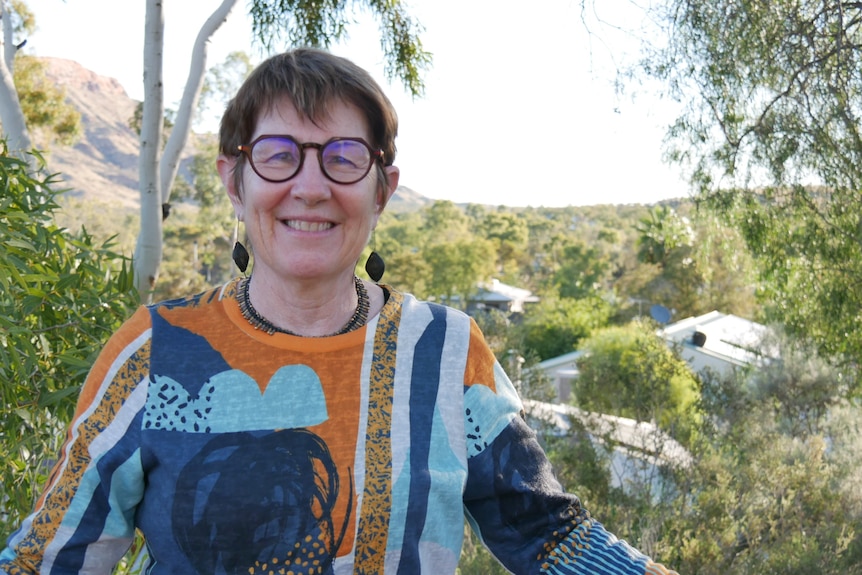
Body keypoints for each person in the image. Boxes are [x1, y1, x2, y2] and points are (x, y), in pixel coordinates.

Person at [0, 48, 680, 575]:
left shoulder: (447, 352)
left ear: (382, 189)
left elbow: (547, 533)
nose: (310, 186)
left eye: (343, 158)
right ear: (233, 182)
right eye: (277, 156)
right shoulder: (156, 350)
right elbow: (50, 554)